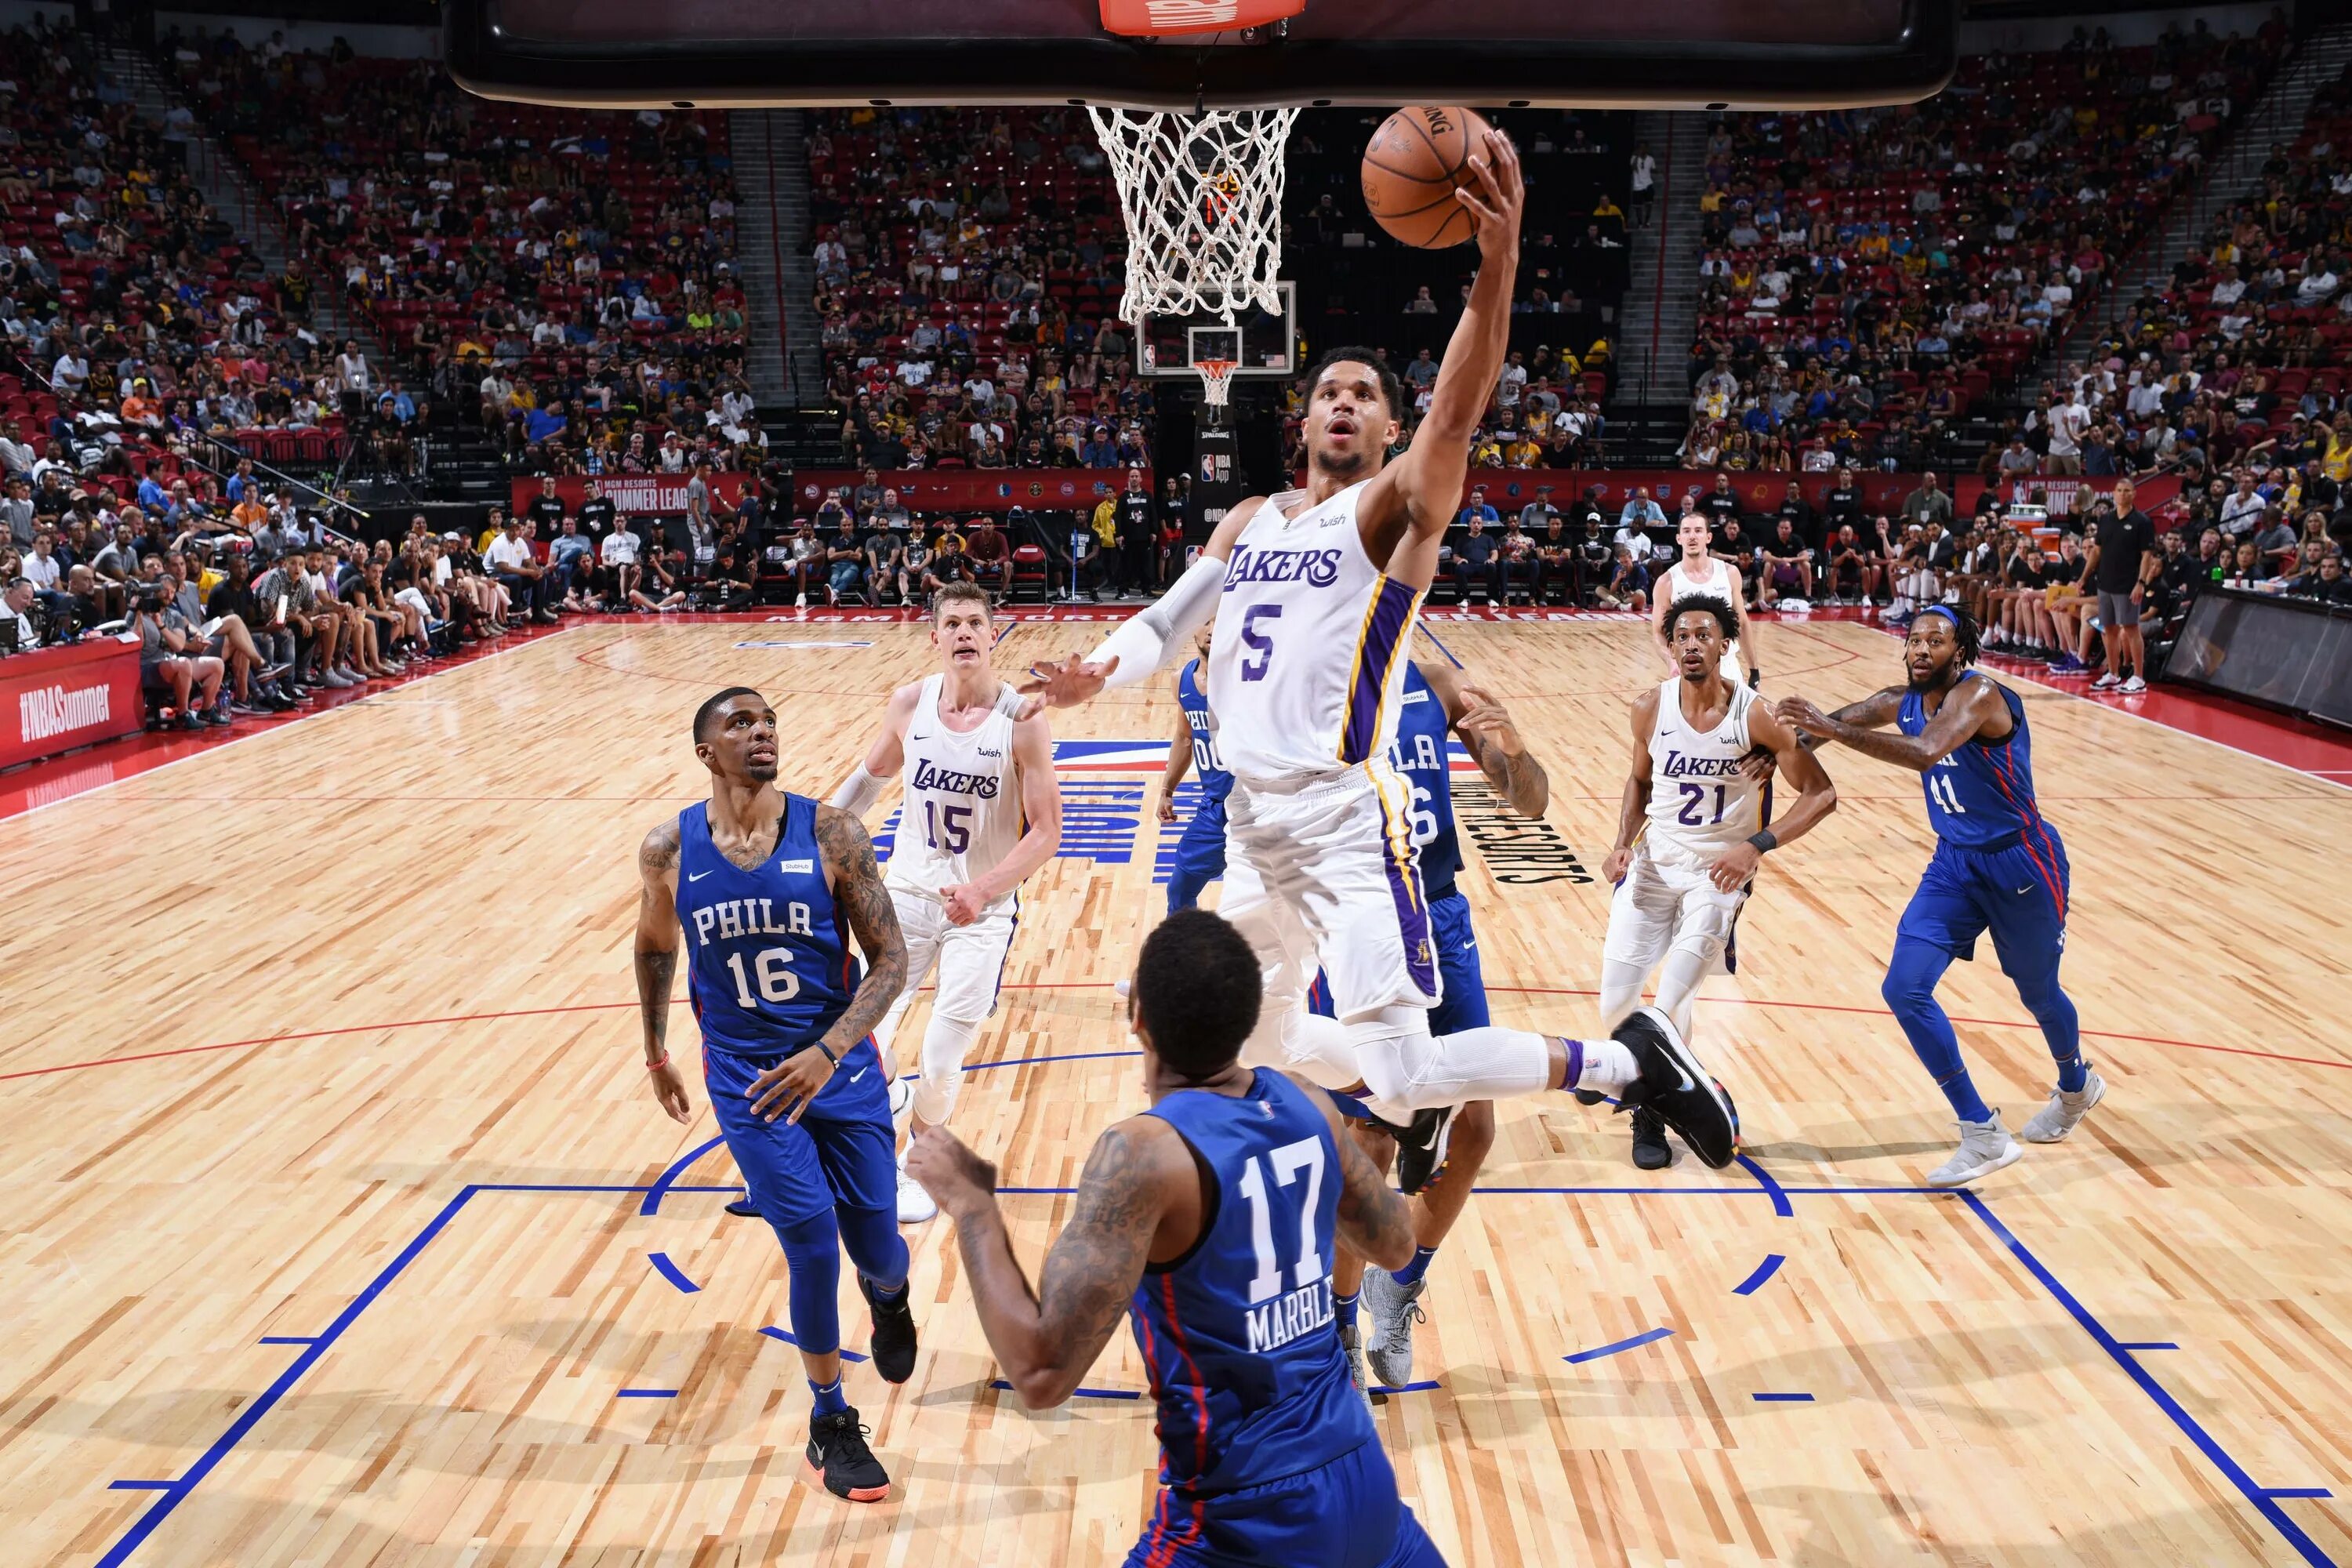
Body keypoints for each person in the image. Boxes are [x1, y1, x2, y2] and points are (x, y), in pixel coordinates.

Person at [1018, 127, 1739, 1175]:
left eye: (1367, 394)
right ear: (1301, 415)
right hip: (1258, 826)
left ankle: (1633, 1064)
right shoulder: (1251, 519)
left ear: (1391, 428)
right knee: (1252, 1042)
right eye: (1331, 391)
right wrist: (1098, 671)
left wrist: (1496, 268)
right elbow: (1169, 620)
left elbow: (1460, 407)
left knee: (1399, 1071)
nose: (1345, 401)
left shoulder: (1384, 516)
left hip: (1345, 822)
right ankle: (1431, 1093)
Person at [905, 909, 1445, 1568]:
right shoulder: (1309, 1105)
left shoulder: (1144, 1155)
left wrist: (973, 1207)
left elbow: (1041, 1373)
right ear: (1250, 1022)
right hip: (1363, 1484)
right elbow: (1393, 1246)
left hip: (1242, 1516)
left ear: (1138, 1018)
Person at [633, 688, 920, 1501]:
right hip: (749, 1079)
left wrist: (829, 1051)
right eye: (740, 723)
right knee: (810, 1242)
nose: (761, 731)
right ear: (706, 753)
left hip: (843, 1068)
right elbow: (655, 947)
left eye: (768, 721)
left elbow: (891, 959)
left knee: (876, 1245)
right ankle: (831, 1417)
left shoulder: (833, 832)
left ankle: (890, 1294)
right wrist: (655, 1050)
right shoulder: (669, 848)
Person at [1777, 607, 2103, 1186]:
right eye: (1915, 639)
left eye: (1937, 640)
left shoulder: (1981, 696)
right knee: (1903, 987)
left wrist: (1833, 731)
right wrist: (1775, 750)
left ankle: (2076, 1086)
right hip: (1954, 864)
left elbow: (1926, 751)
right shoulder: (1897, 700)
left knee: (2037, 991)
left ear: (1961, 649)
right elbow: (1833, 722)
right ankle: (1981, 1131)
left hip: (2022, 862)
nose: (1923, 648)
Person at [825, 583, 1063, 1223]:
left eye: (974, 623)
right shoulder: (910, 703)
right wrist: (806, 841)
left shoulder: (1024, 720)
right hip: (905, 895)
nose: (963, 633)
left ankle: (916, 1168)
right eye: (951, 623)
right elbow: (869, 781)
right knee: (866, 1036)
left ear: (994, 635)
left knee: (942, 1055)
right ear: (934, 637)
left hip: (982, 913)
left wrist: (983, 889)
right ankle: (891, 1111)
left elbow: (1047, 831)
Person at [1342, 657, 1548, 1394]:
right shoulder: (1314, 677)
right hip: (1361, 925)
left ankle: (1397, 1289)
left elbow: (1529, 804)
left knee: (1477, 1130)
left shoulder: (1436, 679)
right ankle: (1338, 1319)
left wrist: (1515, 755)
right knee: (1366, 1138)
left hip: (1440, 915)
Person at [1599, 596, 1836, 1167]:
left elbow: (1822, 794)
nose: (1690, 645)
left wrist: (1755, 847)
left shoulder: (1756, 716)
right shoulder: (1648, 707)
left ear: (1726, 645)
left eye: (1703, 635)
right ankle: (1662, 1083)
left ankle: (1648, 1114)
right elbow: (1638, 781)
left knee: (1673, 996)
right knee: (1616, 1004)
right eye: (1681, 636)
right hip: (1655, 864)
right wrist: (1621, 844)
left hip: (1717, 876)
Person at [1156, 624, 1232, 914]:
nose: (1213, 629)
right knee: (1180, 887)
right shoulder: (1182, 679)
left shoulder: (1247, 680)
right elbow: (1185, 737)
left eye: (1219, 620)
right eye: (1206, 621)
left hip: (1258, 803)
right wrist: (1167, 789)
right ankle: (1185, 955)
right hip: (1214, 807)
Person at [1651, 510, 1759, 685]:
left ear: (1708, 537)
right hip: (1689, 667)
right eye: (1686, 531)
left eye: (1698, 531)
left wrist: (1754, 671)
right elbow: (1658, 632)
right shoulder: (1666, 583)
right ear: (1679, 539)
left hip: (1727, 665)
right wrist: (1671, 662)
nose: (1692, 536)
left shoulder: (1730, 573)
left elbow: (1743, 624)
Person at [2079, 476, 2157, 693]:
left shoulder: (2142, 522)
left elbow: (2147, 555)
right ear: (2113, 493)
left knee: (2131, 629)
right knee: (2109, 630)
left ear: (2134, 494)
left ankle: (2139, 677)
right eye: (2119, 490)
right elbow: (2097, 552)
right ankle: (2113, 674)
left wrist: (2141, 582)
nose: (2123, 494)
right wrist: (2084, 577)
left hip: (2128, 585)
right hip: (2105, 582)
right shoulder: (2105, 520)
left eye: (2127, 491)